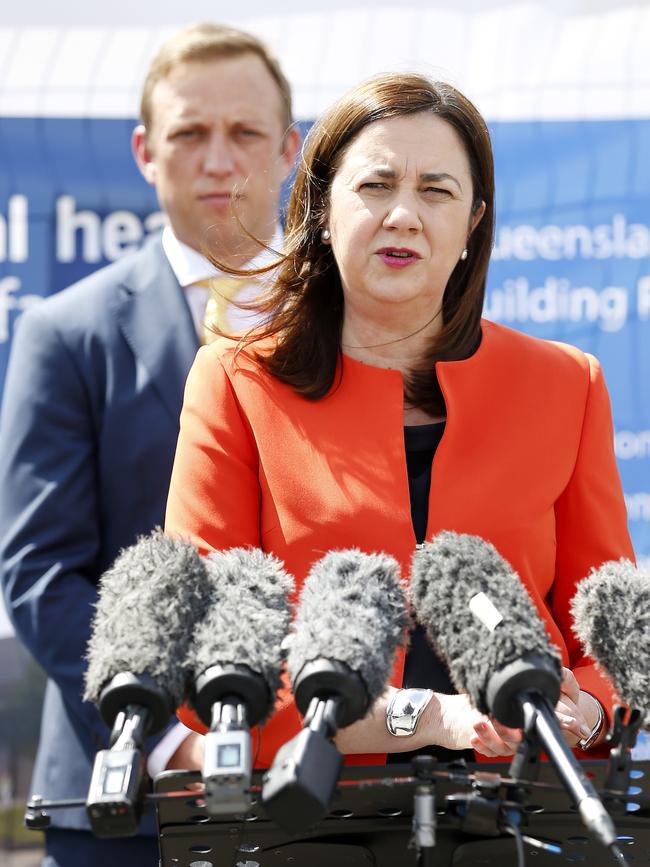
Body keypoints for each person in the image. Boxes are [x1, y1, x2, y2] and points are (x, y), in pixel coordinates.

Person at [165, 72, 634, 769]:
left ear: (475, 221)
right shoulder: (236, 383)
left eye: (437, 191)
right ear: (323, 209)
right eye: (376, 186)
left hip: (525, 814)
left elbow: (610, 636)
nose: (404, 215)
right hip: (312, 821)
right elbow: (206, 673)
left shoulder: (568, 384)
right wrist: (425, 716)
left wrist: (583, 711)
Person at [0, 22, 299, 867]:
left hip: (327, 793)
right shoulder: (65, 335)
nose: (218, 158)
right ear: (144, 151)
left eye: (244, 132)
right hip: (122, 803)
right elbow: (40, 575)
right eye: (189, 133)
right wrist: (166, 736)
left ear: (289, 149)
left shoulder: (352, 327)